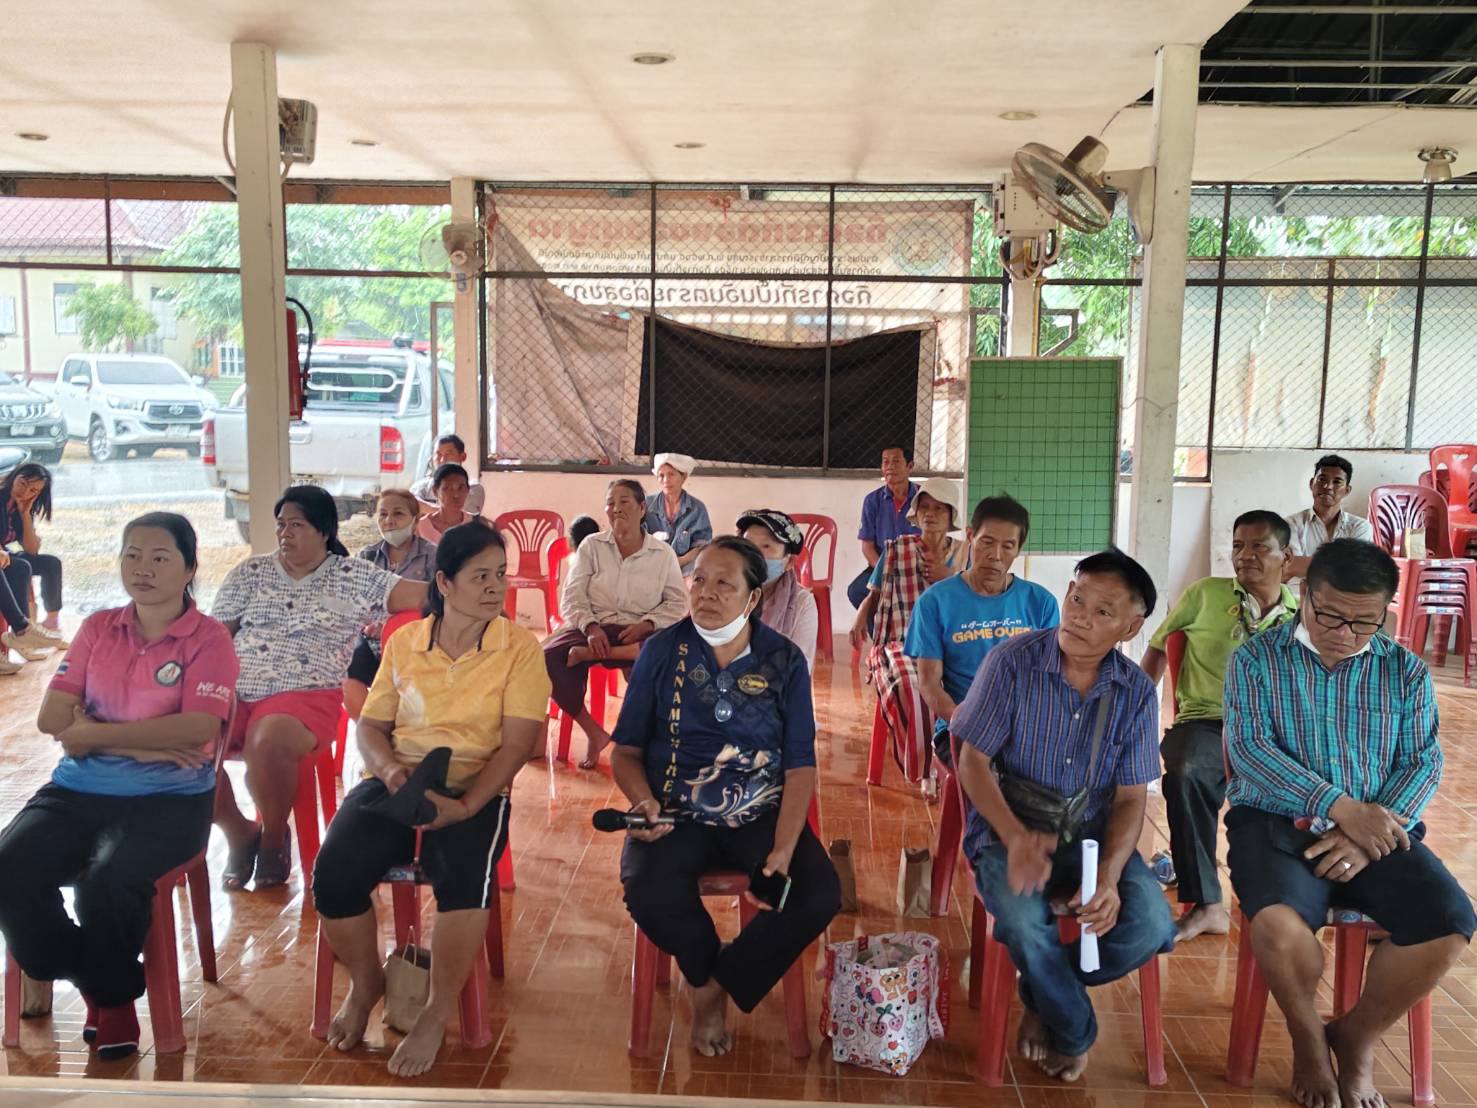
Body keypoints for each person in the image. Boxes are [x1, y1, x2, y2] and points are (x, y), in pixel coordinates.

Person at [1224, 539, 1473, 1108]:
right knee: (1278, 927)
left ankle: (1356, 1036)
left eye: (1364, 622)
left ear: (1385, 612)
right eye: (1330, 615)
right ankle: (1308, 1037)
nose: (1344, 633)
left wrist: (1367, 835)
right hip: (1276, 823)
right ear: (1305, 595)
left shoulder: (1404, 671)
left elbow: (1422, 760)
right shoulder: (1257, 659)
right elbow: (1251, 750)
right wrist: (1343, 809)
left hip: (1379, 827)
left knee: (1450, 921)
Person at [312, 522, 550, 1078]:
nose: (495, 587)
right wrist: (392, 773)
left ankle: (436, 1010)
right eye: (480, 576)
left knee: (463, 878)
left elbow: (517, 744)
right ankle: (367, 983)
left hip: (474, 784)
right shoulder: (406, 643)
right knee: (335, 872)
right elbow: (371, 727)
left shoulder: (518, 648)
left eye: (500, 575)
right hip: (399, 780)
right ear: (444, 582)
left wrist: (466, 807)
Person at [0, 512, 237, 1061]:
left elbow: (197, 729)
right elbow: (52, 718)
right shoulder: (98, 628)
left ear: (189, 569)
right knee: (9, 867)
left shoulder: (209, 639)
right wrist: (144, 745)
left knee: (108, 882)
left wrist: (93, 735)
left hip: (171, 799)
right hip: (78, 790)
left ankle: (112, 1003)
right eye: (132, 555)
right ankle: (98, 980)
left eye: (160, 558)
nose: (142, 569)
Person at [951, 548, 1174, 1083]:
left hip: (1093, 839)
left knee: (1151, 925)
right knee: (1025, 923)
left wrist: (1111, 878)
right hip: (1010, 830)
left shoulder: (1135, 692)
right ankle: (1073, 1030)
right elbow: (972, 761)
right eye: (1077, 599)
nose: (1080, 617)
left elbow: (1130, 798)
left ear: (1130, 627)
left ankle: (1042, 997)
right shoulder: (1012, 662)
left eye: (1103, 611)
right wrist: (1015, 837)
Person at [613, 537, 841, 1058]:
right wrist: (643, 802)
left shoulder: (782, 660)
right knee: (647, 888)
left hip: (759, 813)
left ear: (753, 597)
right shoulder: (662, 651)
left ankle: (718, 984)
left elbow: (799, 763)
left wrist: (784, 848)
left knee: (818, 893)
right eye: (699, 580)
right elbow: (624, 751)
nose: (706, 593)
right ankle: (702, 973)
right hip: (674, 812)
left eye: (724, 583)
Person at [211, 485, 428, 891]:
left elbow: (419, 594)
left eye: (297, 525)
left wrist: (473, 586)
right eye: (281, 525)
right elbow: (216, 636)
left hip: (307, 693)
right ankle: (239, 831)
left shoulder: (353, 575)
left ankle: (273, 835)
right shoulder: (249, 573)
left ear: (324, 530)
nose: (285, 533)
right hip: (236, 690)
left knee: (266, 740)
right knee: (188, 747)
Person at [1139, 510, 1299, 942]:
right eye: (1238, 546)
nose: (1245, 555)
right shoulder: (1205, 594)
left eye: (1259, 546)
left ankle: (1286, 896)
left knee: (1314, 781)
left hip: (1272, 732)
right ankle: (1207, 904)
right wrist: (1134, 710)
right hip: (1207, 721)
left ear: (1286, 556)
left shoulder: (1301, 616)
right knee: (1187, 771)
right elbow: (1159, 647)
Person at [905, 495, 1059, 767]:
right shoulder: (935, 602)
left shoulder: (1041, 602)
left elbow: (1051, 678)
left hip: (1025, 728)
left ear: (1018, 549)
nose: (995, 555)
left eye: (1007, 546)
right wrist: (964, 721)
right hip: (961, 727)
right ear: (970, 537)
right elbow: (929, 684)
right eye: (987, 542)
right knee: (995, 775)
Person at [544, 479, 685, 769]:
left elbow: (677, 603)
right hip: (596, 626)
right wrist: (590, 627)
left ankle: (647, 743)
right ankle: (593, 732)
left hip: (638, 632)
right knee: (545, 658)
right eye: (610, 503)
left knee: (664, 654)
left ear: (642, 508)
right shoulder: (592, 546)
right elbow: (572, 595)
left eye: (624, 502)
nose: (616, 508)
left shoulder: (662, 554)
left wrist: (648, 623)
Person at [851, 477, 966, 783]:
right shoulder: (897, 548)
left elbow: (975, 599)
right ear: (916, 513)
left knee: (968, 680)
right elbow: (874, 593)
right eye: (925, 507)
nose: (930, 514)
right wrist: (861, 616)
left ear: (951, 515)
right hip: (902, 641)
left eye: (939, 508)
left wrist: (950, 576)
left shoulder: (964, 555)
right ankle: (925, 768)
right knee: (910, 686)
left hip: (953, 643)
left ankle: (960, 759)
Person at [343, 489, 438, 721]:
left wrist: (392, 624)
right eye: (383, 514)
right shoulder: (367, 556)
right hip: (371, 640)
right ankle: (373, 730)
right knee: (347, 674)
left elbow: (440, 603)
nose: (389, 521)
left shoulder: (433, 556)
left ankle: (402, 730)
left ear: (415, 520)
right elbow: (352, 602)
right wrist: (368, 623)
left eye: (398, 514)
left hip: (415, 642)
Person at [0, 462, 68, 666]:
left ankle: (49, 624)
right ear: (14, 477)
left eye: (33, 491)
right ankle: (22, 630)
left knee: (47, 563)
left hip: (8, 555)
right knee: (21, 566)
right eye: (23, 483)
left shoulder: (20, 508)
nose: (25, 492)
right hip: (5, 556)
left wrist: (24, 514)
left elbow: (31, 550)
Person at [737, 508, 818, 670]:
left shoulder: (802, 603)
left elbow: (800, 667)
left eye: (766, 546)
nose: (755, 554)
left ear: (789, 562)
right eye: (748, 545)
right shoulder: (725, 592)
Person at [846, 443, 920, 611]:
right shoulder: (872, 501)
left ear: (910, 466)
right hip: (881, 566)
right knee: (856, 591)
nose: (889, 467)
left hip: (916, 568)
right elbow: (867, 546)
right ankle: (879, 628)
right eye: (885, 462)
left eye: (896, 461)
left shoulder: (922, 499)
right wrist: (885, 571)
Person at [1284, 455, 1374, 580]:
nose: (1328, 486)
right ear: (1311, 484)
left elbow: (1357, 569)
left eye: (1337, 482)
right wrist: (1342, 565)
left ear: (1347, 490)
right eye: (1322, 479)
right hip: (1299, 591)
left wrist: (1306, 564)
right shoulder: (1291, 524)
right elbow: (1291, 566)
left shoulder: (1360, 527)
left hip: (1343, 592)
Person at [644, 452, 712, 577]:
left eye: (671, 474)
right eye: (661, 475)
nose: (666, 480)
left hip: (685, 566)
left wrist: (679, 562)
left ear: (683, 477)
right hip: (651, 564)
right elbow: (637, 539)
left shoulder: (697, 508)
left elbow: (701, 546)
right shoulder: (645, 505)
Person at [411, 434, 486, 515]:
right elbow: (409, 504)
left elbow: (458, 515)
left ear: (463, 456)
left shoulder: (474, 488)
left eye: (448, 454)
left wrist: (422, 507)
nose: (442, 460)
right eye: (438, 454)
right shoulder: (421, 486)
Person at [416, 464, 483, 543]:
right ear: (435, 491)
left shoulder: (475, 524)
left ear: (468, 490)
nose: (456, 495)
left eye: (461, 488)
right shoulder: (420, 527)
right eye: (447, 488)